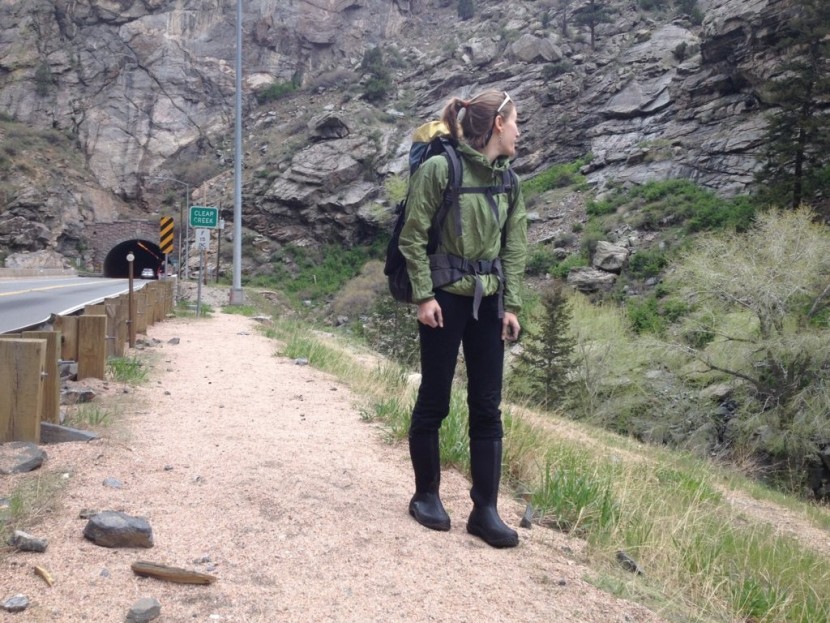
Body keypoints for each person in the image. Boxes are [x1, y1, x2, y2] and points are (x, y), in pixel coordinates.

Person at [398, 90, 528, 548]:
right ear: (497, 124)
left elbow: (515, 246)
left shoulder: (509, 181)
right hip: (443, 302)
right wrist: (422, 296)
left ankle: (485, 512)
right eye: (515, 122)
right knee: (435, 398)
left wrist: (511, 306)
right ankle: (426, 496)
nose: (519, 131)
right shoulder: (440, 169)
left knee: (487, 407)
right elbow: (412, 237)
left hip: (488, 304)